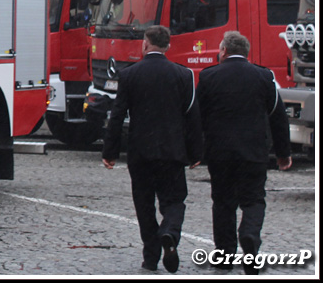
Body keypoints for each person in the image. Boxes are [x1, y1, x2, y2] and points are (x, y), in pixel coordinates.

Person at [102, 25, 203, 273]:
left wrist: (110, 151)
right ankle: (169, 231)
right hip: (172, 149)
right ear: (168, 46)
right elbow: (193, 116)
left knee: (144, 204)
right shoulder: (183, 75)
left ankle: (150, 256)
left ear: (145, 44)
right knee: (175, 200)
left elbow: (117, 115)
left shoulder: (130, 74)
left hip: (141, 150)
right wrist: (196, 152)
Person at [197, 31, 291, 275]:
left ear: (224, 51)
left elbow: (198, 117)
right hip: (254, 151)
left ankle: (225, 255)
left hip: (220, 152)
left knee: (223, 203)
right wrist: (283, 153)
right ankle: (249, 235)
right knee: (253, 200)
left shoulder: (208, 77)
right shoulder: (263, 76)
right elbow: (277, 116)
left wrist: (195, 150)